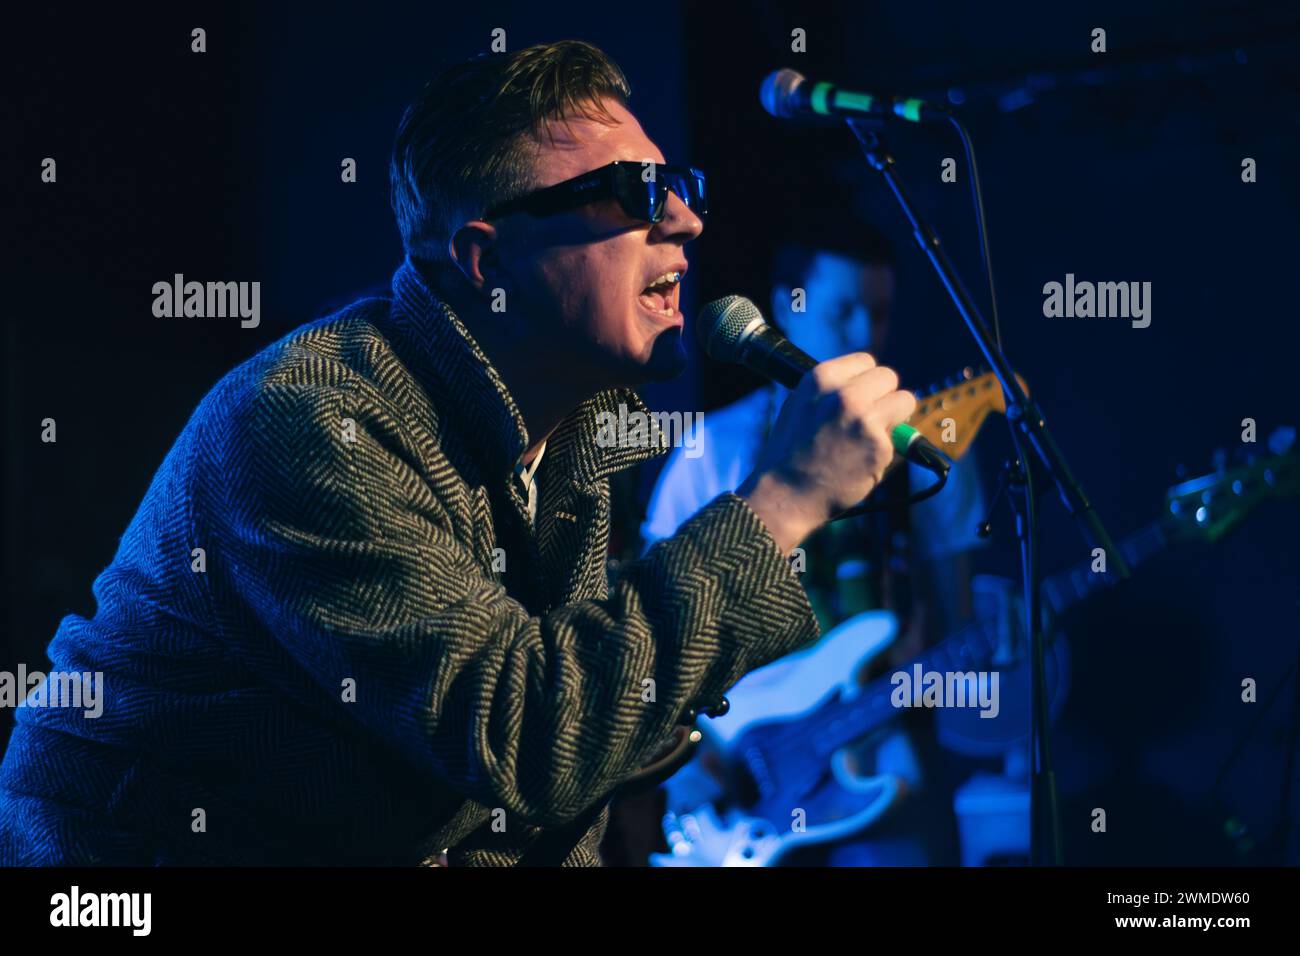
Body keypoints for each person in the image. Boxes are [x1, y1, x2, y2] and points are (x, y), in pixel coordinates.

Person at [0, 41, 916, 866]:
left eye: (682, 185)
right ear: (487, 260)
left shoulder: (577, 421)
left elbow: (556, 762)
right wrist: (784, 499)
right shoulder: (311, 421)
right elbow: (518, 734)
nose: (686, 220)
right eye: (638, 192)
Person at [642, 222, 987, 865]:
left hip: (882, 766)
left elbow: (956, 626)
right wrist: (682, 761)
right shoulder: (709, 449)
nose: (863, 336)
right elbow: (654, 631)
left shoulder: (929, 452)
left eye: (878, 313)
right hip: (736, 779)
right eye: (842, 310)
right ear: (783, 308)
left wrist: (982, 652)